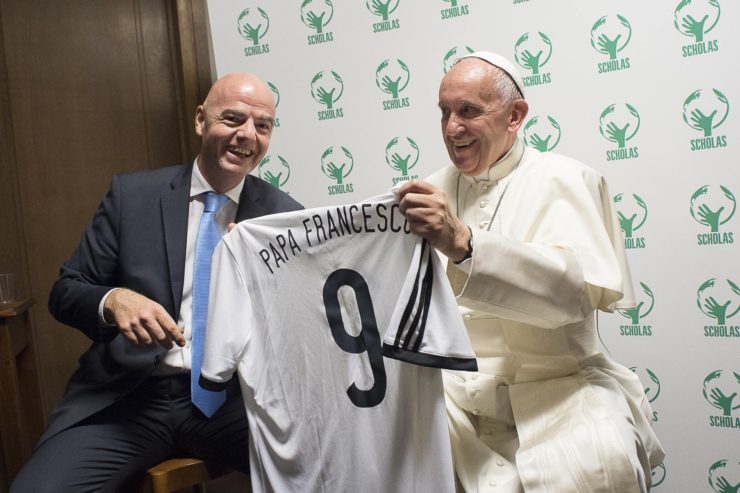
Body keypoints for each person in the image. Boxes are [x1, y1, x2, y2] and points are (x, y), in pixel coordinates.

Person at [11, 72, 302, 492]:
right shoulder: (132, 196)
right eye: (233, 119)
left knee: (335, 468)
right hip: (129, 399)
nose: (247, 135)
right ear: (201, 120)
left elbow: (302, 325)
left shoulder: (282, 217)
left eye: (262, 126)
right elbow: (66, 290)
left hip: (235, 404)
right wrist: (114, 300)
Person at [398, 52, 665, 492]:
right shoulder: (427, 191)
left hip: (561, 394)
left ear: (515, 115)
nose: (451, 128)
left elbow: (569, 295)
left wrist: (465, 244)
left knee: (603, 464)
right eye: (444, 112)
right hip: (455, 405)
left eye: (468, 111)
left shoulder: (567, 179)